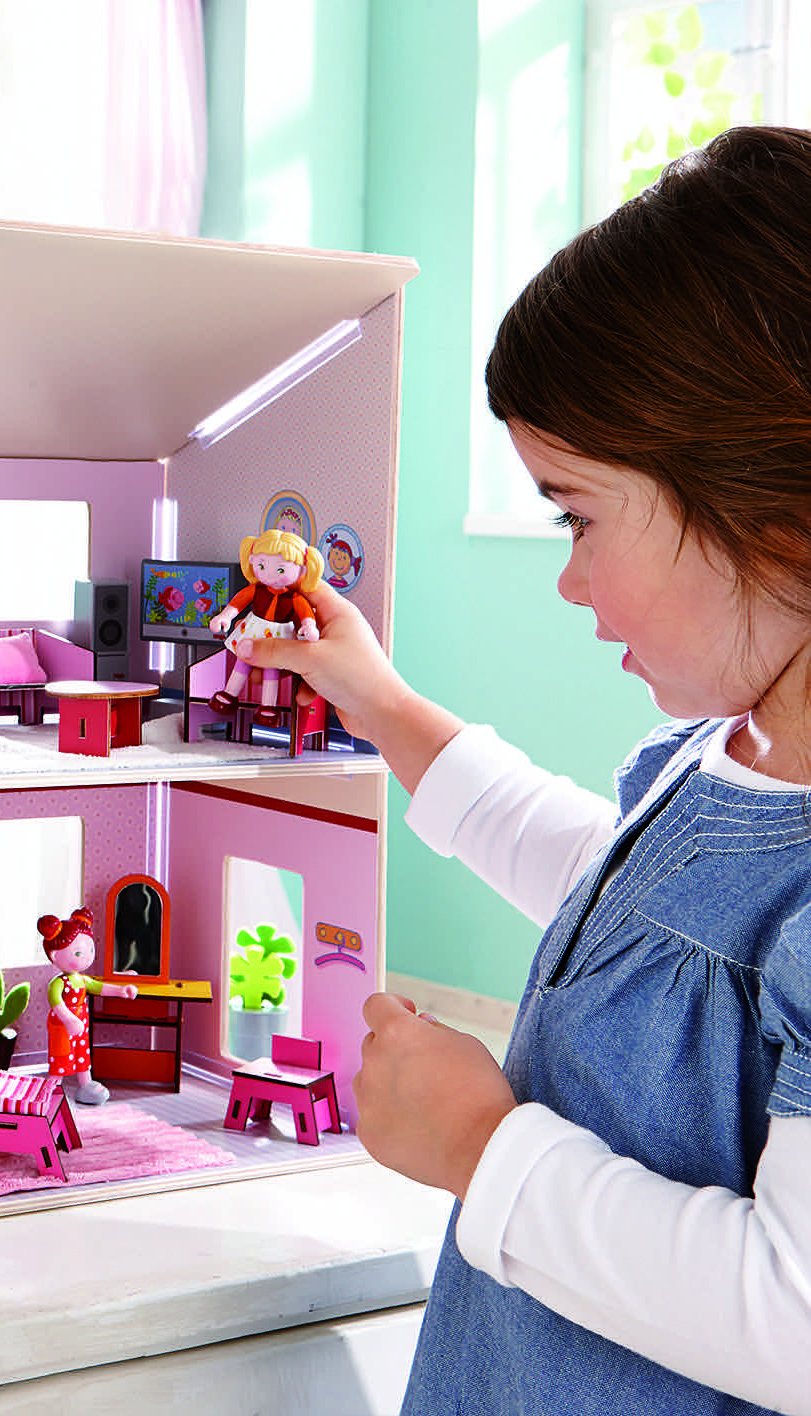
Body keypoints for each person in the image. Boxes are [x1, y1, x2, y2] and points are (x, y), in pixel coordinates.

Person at [245, 126, 811, 1415]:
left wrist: (479, 1147)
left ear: (775, 515)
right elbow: (628, 915)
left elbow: (796, 1318)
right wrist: (379, 703)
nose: (566, 577)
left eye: (576, 515)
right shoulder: (723, 763)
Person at [207, 528, 323, 723]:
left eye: (280, 570)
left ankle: (268, 706)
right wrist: (224, 617)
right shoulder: (256, 589)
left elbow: (306, 614)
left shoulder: (295, 597)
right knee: (243, 661)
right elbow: (237, 603)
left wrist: (310, 627)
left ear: (302, 570)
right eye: (262, 565)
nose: (270, 574)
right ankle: (229, 694)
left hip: (280, 633)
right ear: (252, 561)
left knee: (272, 670)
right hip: (254, 629)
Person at [37, 910, 137, 1105]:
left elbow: (100, 987)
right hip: (62, 1027)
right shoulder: (57, 984)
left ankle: (86, 1083)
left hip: (81, 1025)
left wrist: (121, 990)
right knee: (61, 1056)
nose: (87, 957)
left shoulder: (83, 980)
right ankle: (52, 1086)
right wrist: (69, 1019)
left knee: (82, 1054)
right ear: (55, 955)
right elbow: (56, 1003)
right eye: (78, 953)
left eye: (90, 950)